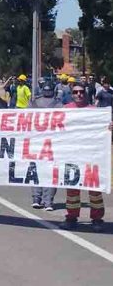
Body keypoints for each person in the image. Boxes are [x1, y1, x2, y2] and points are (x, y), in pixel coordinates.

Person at [62, 84, 108, 232]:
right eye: (76, 92)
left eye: (81, 92)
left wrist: (108, 127)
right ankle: (71, 218)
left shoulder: (94, 112)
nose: (79, 94)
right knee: (72, 191)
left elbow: (104, 129)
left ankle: (97, 219)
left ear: (85, 93)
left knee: (94, 190)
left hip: (91, 157)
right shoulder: (65, 110)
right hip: (72, 156)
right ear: (72, 94)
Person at [29, 84, 61, 210]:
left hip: (42, 142)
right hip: (45, 142)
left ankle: (40, 199)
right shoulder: (57, 104)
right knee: (48, 172)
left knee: (37, 171)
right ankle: (46, 201)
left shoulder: (35, 102)